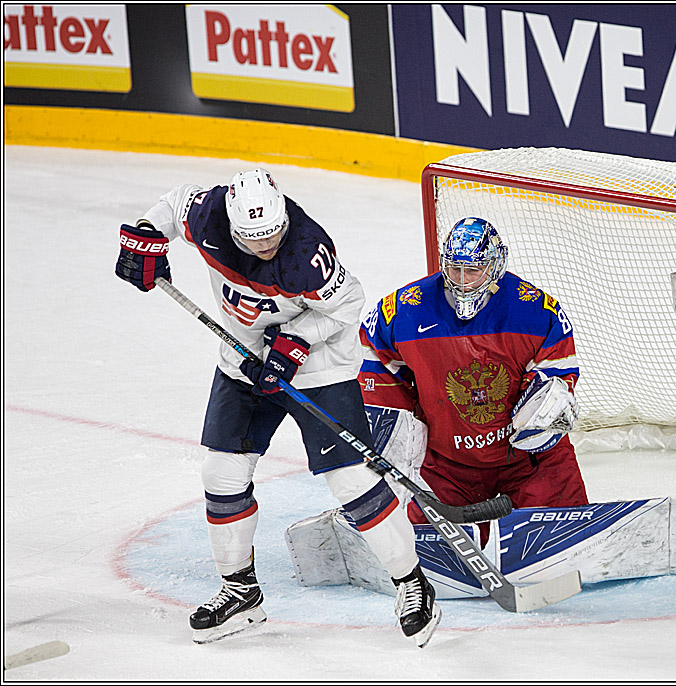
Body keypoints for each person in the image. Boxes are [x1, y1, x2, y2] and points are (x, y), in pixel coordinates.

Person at [114, 168, 440, 647]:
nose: (267, 247)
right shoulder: (208, 216)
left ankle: (412, 583)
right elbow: (171, 203)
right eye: (255, 240)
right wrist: (146, 235)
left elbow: (348, 304)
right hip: (242, 360)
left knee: (350, 480)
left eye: (273, 236)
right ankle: (241, 592)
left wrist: (295, 343)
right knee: (222, 475)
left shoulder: (308, 252)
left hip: (318, 367)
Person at [358, 217, 588, 543]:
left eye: (473, 270)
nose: (463, 281)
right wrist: (390, 432)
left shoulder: (536, 310)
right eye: (454, 270)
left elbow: (557, 378)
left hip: (528, 461)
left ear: (495, 267)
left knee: (565, 544)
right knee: (419, 554)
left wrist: (542, 405)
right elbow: (374, 363)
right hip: (445, 464)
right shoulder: (401, 311)